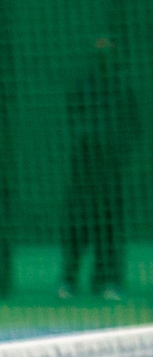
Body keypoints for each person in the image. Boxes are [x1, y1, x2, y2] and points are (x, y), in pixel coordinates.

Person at [62, 37, 139, 301]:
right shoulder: (83, 85)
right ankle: (68, 281)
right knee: (78, 225)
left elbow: (133, 125)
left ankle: (107, 281)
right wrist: (85, 141)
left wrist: (118, 155)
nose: (102, 57)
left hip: (110, 175)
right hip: (84, 173)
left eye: (107, 52)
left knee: (109, 227)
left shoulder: (123, 87)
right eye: (98, 53)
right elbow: (72, 117)